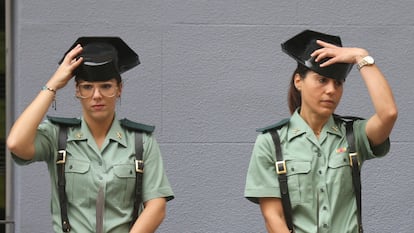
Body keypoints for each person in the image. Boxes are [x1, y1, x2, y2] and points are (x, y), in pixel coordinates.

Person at [7, 37, 174, 233]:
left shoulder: (141, 141)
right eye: (87, 87)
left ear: (119, 89)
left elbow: (157, 207)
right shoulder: (58, 136)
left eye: (106, 86)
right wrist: (53, 85)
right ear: (77, 91)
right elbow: (16, 143)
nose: (97, 96)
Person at [244, 30, 398, 233]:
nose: (331, 90)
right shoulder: (272, 142)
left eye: (338, 83)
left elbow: (388, 113)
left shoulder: (353, 136)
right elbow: (273, 217)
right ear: (299, 81)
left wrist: (361, 56)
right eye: (322, 80)